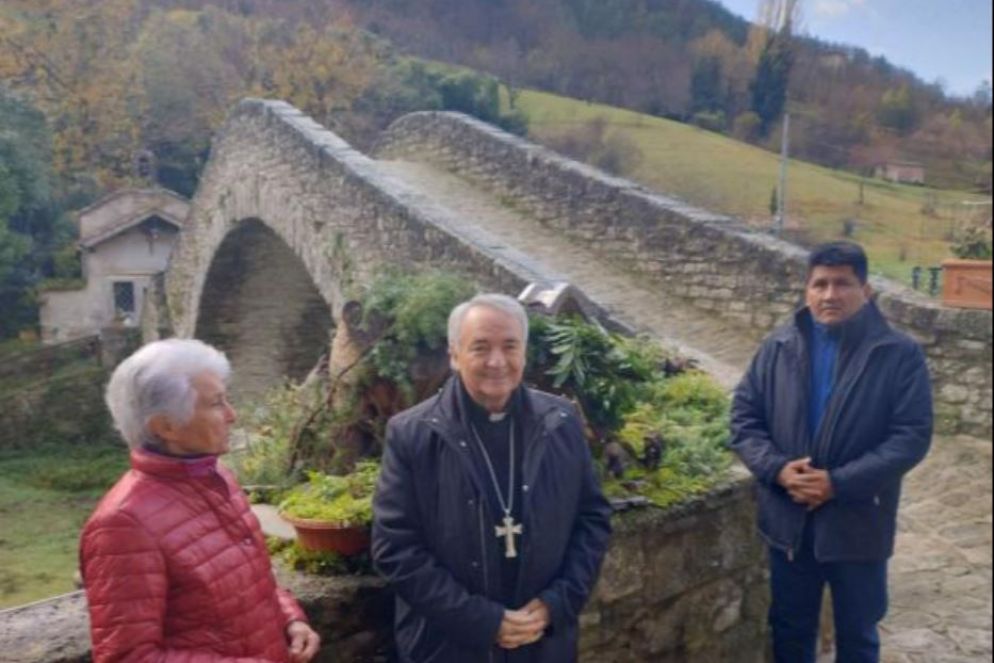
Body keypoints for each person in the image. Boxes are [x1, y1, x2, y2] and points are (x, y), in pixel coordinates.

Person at [372, 293, 613, 662]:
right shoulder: (412, 434)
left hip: (544, 644)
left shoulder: (561, 422)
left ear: (524, 353)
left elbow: (592, 520)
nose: (496, 361)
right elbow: (396, 549)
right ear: (454, 355)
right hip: (449, 646)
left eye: (510, 346)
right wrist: (482, 621)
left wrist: (557, 603)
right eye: (480, 347)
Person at [730, 241, 933, 663]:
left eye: (843, 284)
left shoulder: (898, 354)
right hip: (790, 523)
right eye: (819, 284)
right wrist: (778, 470)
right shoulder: (777, 347)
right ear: (806, 290)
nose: (830, 295)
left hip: (859, 523)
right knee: (790, 630)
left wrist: (838, 483)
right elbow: (744, 420)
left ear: (866, 290)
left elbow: (911, 436)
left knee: (858, 637)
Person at [80, 339, 321, 663]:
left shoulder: (217, 477)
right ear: (166, 426)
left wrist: (290, 618)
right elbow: (126, 657)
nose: (233, 415)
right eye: (217, 403)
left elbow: (251, 581)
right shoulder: (122, 525)